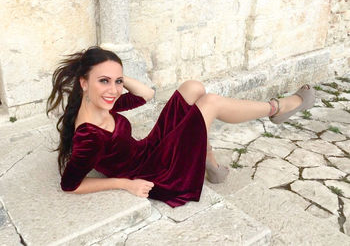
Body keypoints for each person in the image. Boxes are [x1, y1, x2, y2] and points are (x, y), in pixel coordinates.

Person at [47, 46, 315, 208]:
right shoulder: (89, 134)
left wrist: (114, 77)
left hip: (149, 149)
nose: (114, 90)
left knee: (193, 88)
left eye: (117, 82)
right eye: (103, 81)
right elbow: (70, 185)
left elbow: (146, 95)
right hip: (156, 170)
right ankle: (279, 108)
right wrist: (124, 184)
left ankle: (207, 158)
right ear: (83, 82)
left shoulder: (101, 103)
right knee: (209, 103)